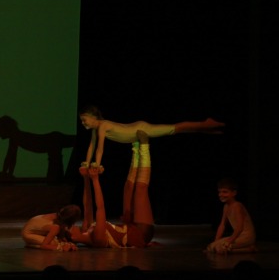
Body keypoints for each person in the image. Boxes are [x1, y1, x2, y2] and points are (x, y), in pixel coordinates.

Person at [79, 105, 224, 170]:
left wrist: (97, 164)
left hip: (141, 128)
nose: (83, 123)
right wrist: (87, 162)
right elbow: (92, 146)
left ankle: (205, 124)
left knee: (174, 128)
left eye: (84, 120)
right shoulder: (96, 129)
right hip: (136, 128)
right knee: (175, 130)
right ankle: (204, 129)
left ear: (93, 116)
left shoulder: (103, 125)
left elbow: (100, 148)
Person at [77, 130, 156, 248]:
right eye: (69, 229)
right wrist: (95, 179)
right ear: (72, 237)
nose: (72, 227)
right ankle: (144, 147)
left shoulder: (85, 228)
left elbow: (87, 204)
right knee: (140, 189)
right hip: (140, 233)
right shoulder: (97, 239)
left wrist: (86, 178)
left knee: (128, 187)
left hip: (129, 226)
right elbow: (100, 208)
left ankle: (136, 149)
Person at [206, 178, 257, 254]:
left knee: (219, 248)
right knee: (211, 247)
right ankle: (247, 248)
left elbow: (239, 227)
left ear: (234, 193)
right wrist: (216, 241)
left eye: (225, 192)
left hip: (246, 237)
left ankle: (247, 249)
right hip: (238, 236)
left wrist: (229, 241)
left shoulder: (237, 206)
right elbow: (222, 225)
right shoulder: (226, 206)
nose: (221, 194)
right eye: (219, 192)